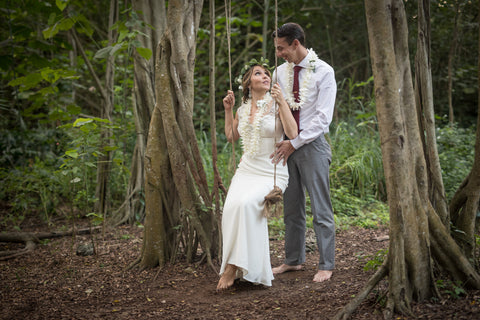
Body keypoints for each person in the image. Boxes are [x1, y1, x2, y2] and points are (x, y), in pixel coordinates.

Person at [216, 61, 298, 292]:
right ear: (248, 82)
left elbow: (292, 133)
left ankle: (233, 267)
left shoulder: (277, 104)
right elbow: (232, 136)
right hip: (247, 170)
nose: (265, 76)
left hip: (271, 170)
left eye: (267, 74)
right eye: (258, 73)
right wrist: (228, 110)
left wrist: (281, 102)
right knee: (231, 207)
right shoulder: (242, 108)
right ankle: (241, 265)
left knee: (247, 204)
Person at [270, 23, 337, 283]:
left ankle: (326, 264)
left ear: (296, 43)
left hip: (312, 146)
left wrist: (295, 143)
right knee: (292, 208)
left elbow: (323, 119)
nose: (279, 53)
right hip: (286, 147)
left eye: (281, 48)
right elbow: (276, 111)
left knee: (321, 208)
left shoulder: (324, 71)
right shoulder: (278, 73)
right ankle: (293, 260)